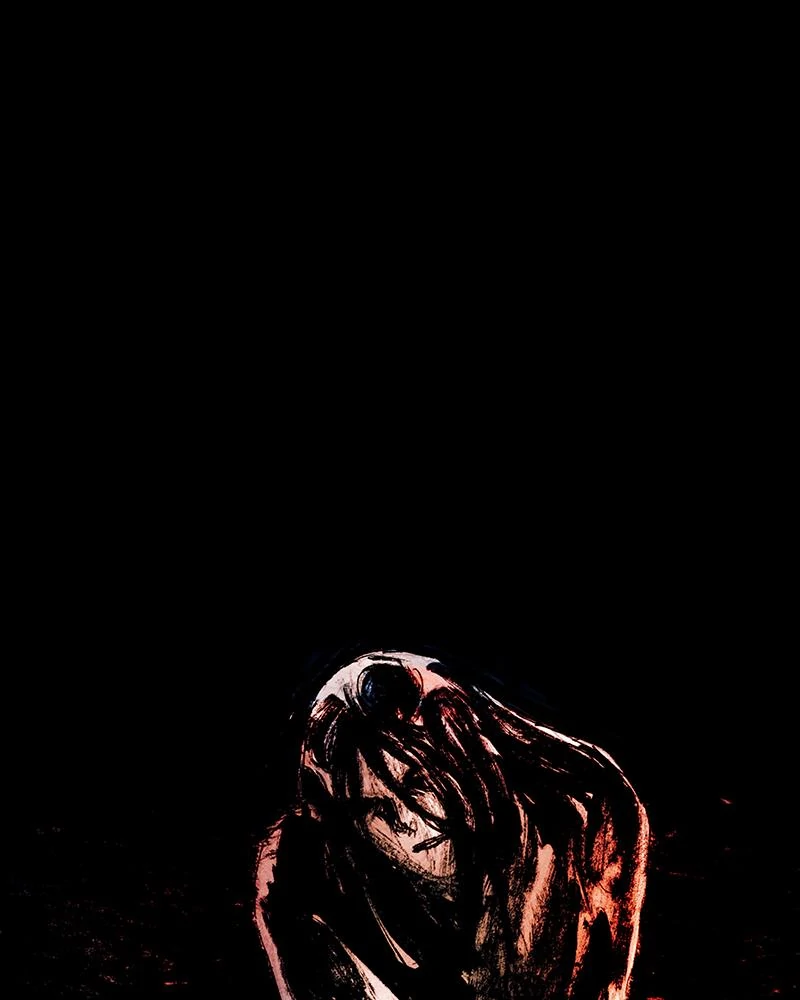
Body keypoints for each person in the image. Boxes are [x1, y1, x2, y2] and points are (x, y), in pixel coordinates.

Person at [254, 651, 649, 1000]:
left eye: (416, 784)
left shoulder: (574, 823)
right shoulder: (326, 893)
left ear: (466, 758)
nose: (406, 821)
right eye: (374, 808)